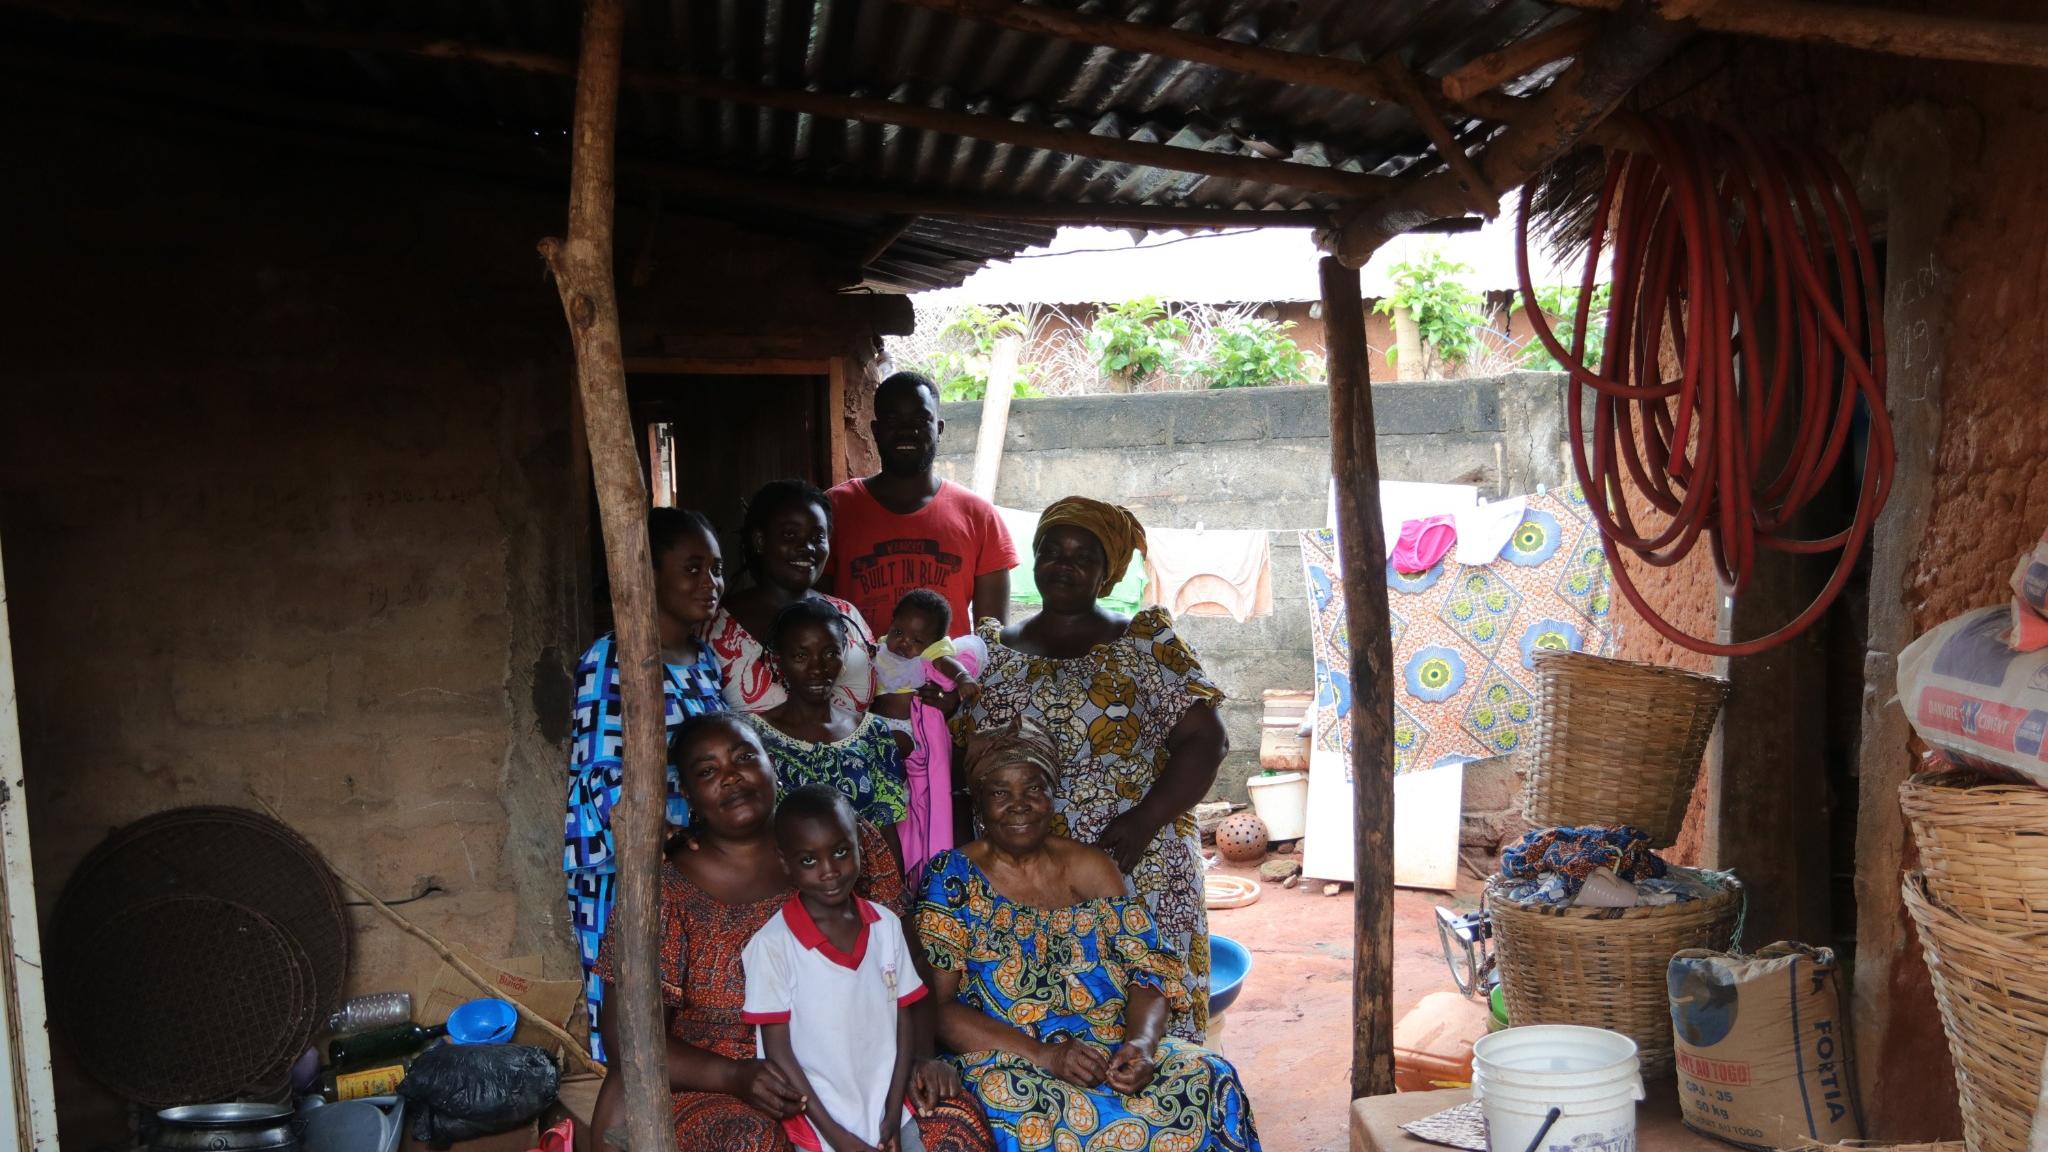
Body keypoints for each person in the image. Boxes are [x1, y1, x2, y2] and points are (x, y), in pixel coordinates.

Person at [586, 713, 992, 1152]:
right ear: (687, 793)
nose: (731, 777)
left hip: (864, 1064)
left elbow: (907, 965)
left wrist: (921, 1058)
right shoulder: (663, 892)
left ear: (771, 764)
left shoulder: (845, 843)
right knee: (752, 1143)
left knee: (950, 1126)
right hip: (720, 1081)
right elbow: (625, 1035)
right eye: (707, 771)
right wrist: (734, 1076)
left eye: (744, 758)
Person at [915, 724, 1261, 1152]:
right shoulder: (951, 878)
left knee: (1210, 1075)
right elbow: (939, 1006)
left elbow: (1148, 972)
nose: (1019, 806)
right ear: (979, 804)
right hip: (1011, 1060)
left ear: (1053, 796)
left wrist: (1140, 1046)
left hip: (1111, 1047)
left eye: (1034, 789)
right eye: (1000, 793)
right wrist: (1046, 1056)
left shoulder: (1093, 867)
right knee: (1043, 1124)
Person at [965, 496, 1228, 1040]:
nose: (1065, 565)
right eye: (1051, 551)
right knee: (1044, 1020)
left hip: (1136, 857)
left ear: (1107, 572)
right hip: (1023, 870)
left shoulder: (1143, 643)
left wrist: (1145, 819)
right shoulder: (990, 652)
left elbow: (1207, 740)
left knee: (1150, 1023)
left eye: (1084, 556)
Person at [563, 507, 727, 1065]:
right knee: (631, 1008)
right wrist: (668, 841)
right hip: (627, 867)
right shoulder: (611, 659)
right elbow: (601, 779)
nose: (711, 584)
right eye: (693, 569)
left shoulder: (704, 661)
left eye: (717, 569)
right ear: (647, 575)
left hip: (692, 865)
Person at [744, 785, 927, 1152]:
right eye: (809, 860)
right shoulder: (772, 945)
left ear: (859, 846)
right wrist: (837, 1137)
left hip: (886, 1109)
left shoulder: (886, 926)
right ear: (785, 863)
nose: (829, 871)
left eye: (841, 852)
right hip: (819, 1124)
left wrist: (892, 1110)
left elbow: (903, 1016)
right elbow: (777, 1052)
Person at [825, 372, 1017, 635]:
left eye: (920, 419)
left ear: (938, 429)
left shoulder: (979, 515)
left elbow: (994, 637)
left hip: (949, 675)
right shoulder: (835, 508)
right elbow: (813, 612)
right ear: (876, 431)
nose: (907, 430)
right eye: (893, 420)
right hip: (859, 676)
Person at [749, 599, 911, 868]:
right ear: (779, 660)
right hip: (786, 895)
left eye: (830, 653)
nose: (817, 669)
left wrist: (896, 905)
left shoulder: (873, 733)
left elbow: (886, 831)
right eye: (801, 656)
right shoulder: (753, 737)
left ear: (843, 653)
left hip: (867, 891)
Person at [711, 479, 877, 715]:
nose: (807, 547)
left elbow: (885, 704)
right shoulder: (716, 629)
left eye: (818, 536)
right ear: (760, 541)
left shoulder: (847, 616)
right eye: (790, 534)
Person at [870, 589, 984, 883]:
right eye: (899, 632)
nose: (904, 642)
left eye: (916, 641)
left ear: (931, 643)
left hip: (908, 728)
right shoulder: (881, 648)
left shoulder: (931, 655)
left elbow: (948, 665)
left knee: (891, 746)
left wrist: (962, 679)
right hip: (875, 722)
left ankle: (896, 795)